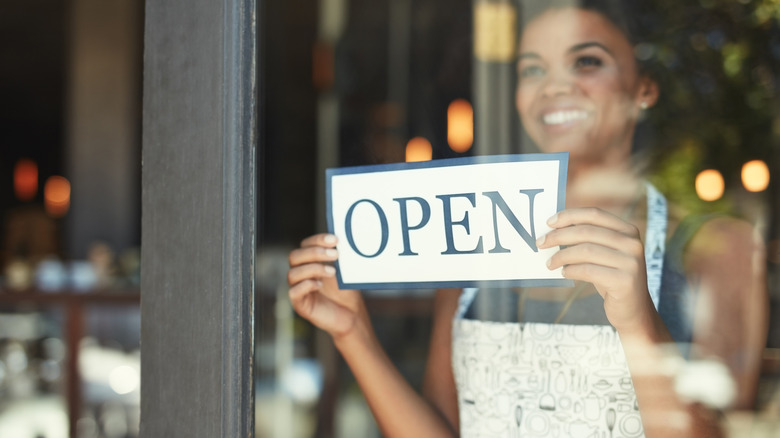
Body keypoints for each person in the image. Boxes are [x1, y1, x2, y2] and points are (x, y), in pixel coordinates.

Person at [287, 0, 769, 436]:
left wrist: (639, 324)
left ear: (644, 87)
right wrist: (354, 334)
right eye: (532, 69)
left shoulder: (719, 248)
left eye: (587, 61)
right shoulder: (472, 235)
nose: (556, 85)